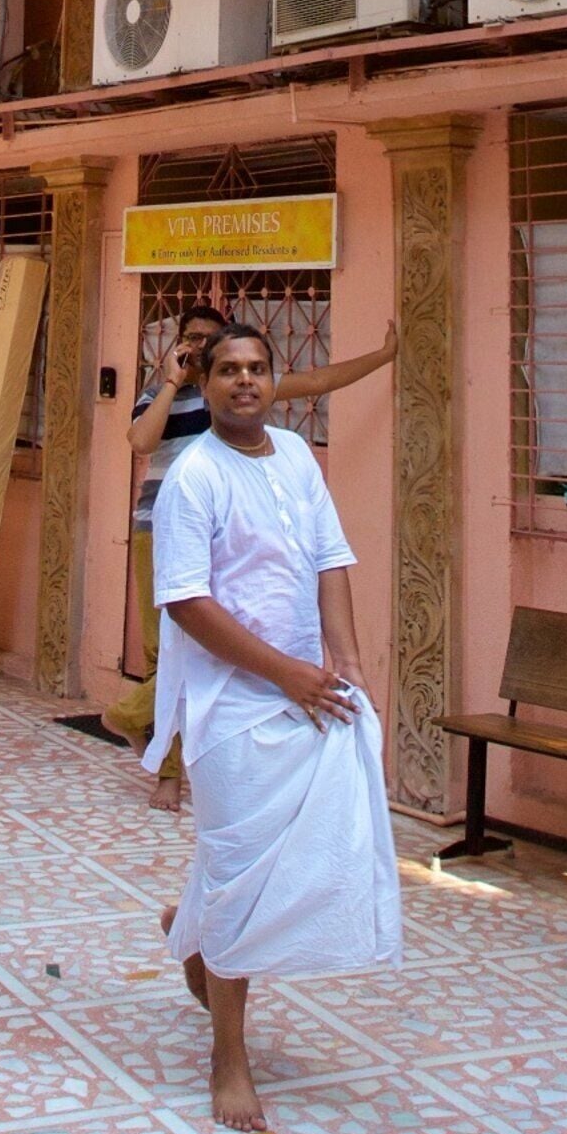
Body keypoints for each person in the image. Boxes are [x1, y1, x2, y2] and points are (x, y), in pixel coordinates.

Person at [142, 324, 401, 1134]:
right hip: (228, 708)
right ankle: (230, 1058)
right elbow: (187, 601)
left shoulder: (295, 455)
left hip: (306, 693)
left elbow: (329, 557)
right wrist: (285, 672)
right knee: (237, 872)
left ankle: (193, 932)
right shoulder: (193, 477)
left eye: (257, 369)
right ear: (206, 386)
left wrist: (347, 660)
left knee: (275, 864)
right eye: (228, 371)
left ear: (273, 381)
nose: (244, 382)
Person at [106, 306, 399, 808]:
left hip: (238, 539)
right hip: (162, 533)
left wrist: (384, 355)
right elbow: (140, 441)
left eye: (210, 338)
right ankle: (167, 772)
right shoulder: (163, 395)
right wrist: (176, 382)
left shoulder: (251, 401)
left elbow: (318, 380)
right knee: (169, 657)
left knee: (185, 664)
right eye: (192, 339)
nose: (201, 346)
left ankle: (142, 728)